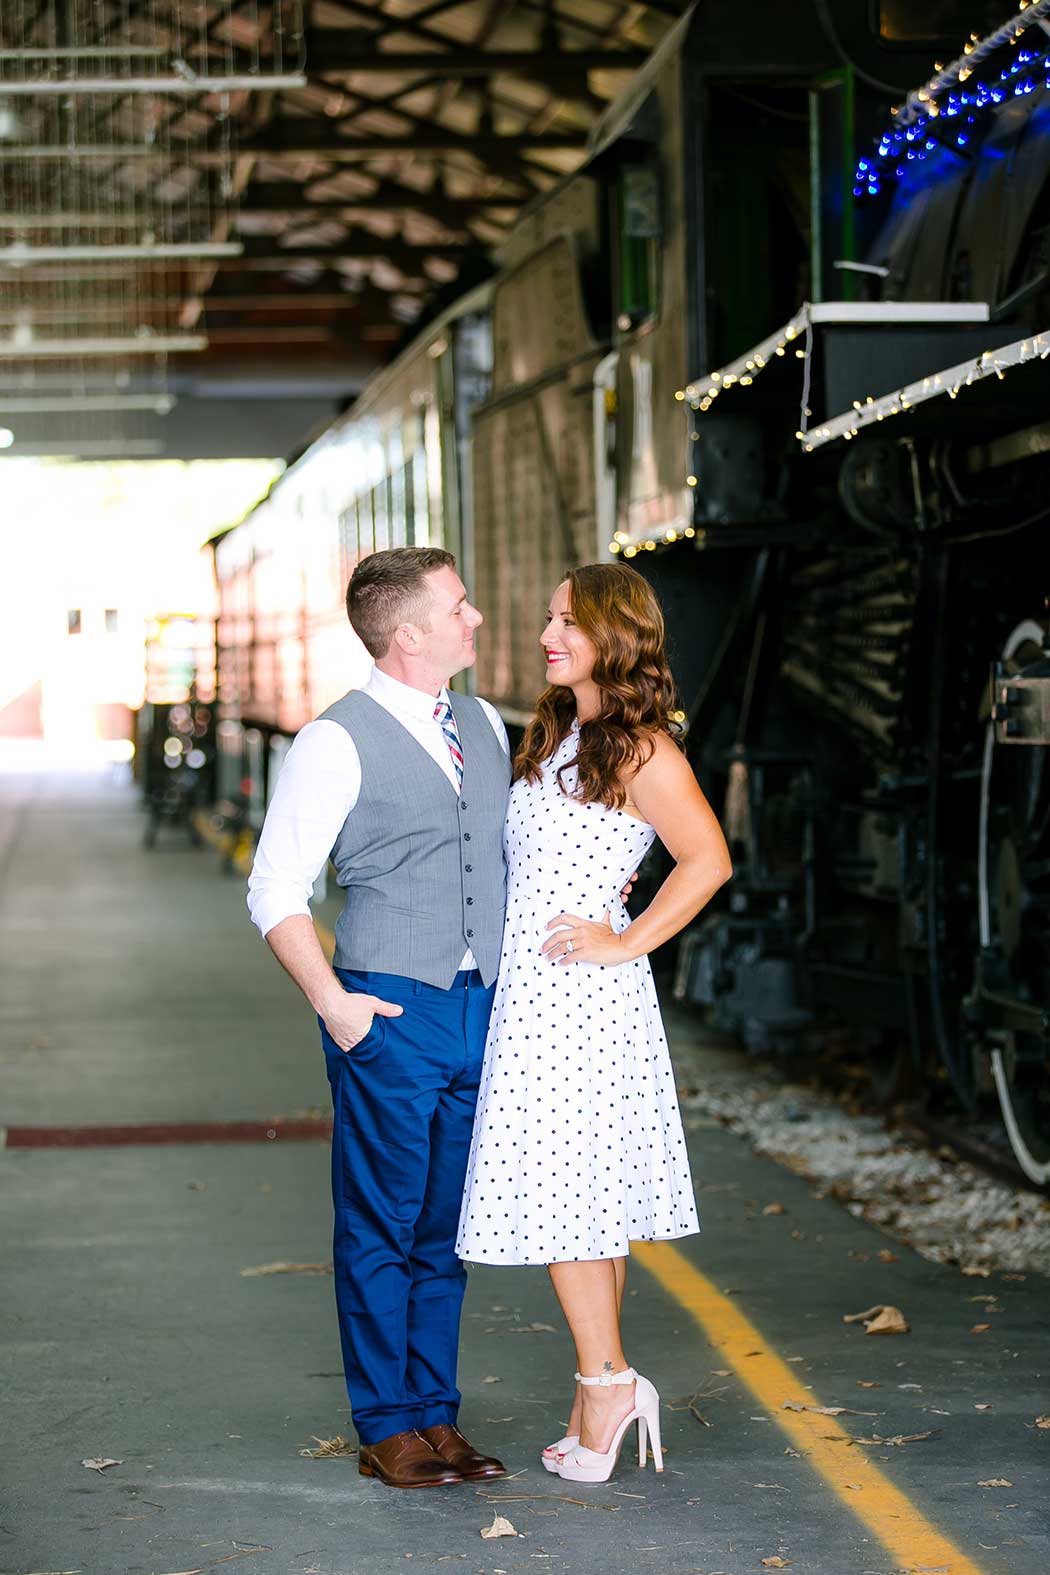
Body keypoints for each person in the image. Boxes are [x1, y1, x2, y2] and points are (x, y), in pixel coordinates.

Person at [456, 561, 733, 1485]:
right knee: (587, 1204)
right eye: (548, 617)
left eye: (565, 621)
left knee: (566, 1198)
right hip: (542, 993)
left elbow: (707, 860)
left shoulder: (643, 747)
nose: (546, 634)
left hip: (580, 994)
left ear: (613, 635)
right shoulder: (559, 734)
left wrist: (626, 940)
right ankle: (596, 1394)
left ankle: (608, 1384)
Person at [247, 546, 513, 1490]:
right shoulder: (335, 740)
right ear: (408, 635)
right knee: (379, 1224)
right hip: (389, 1012)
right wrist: (337, 1005)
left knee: (446, 1227)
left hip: (481, 1010)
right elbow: (276, 889)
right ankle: (384, 1423)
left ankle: (437, 1416)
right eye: (459, 606)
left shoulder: (481, 722)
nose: (474, 619)